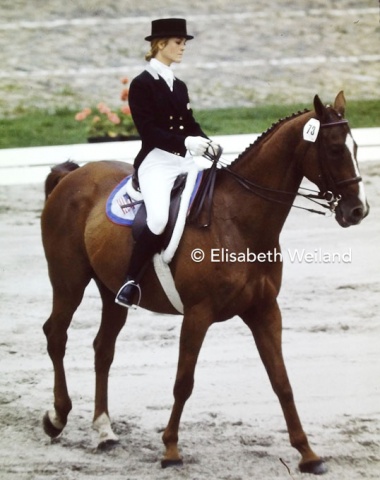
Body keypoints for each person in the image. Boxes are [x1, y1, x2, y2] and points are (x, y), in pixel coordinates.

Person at [115, 18, 220, 308]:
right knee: (159, 218)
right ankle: (130, 280)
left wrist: (206, 142)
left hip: (184, 159)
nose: (183, 47)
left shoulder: (179, 85)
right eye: (178, 42)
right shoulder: (142, 84)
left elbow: (189, 123)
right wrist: (186, 143)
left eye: (184, 43)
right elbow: (148, 131)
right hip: (156, 161)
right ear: (160, 44)